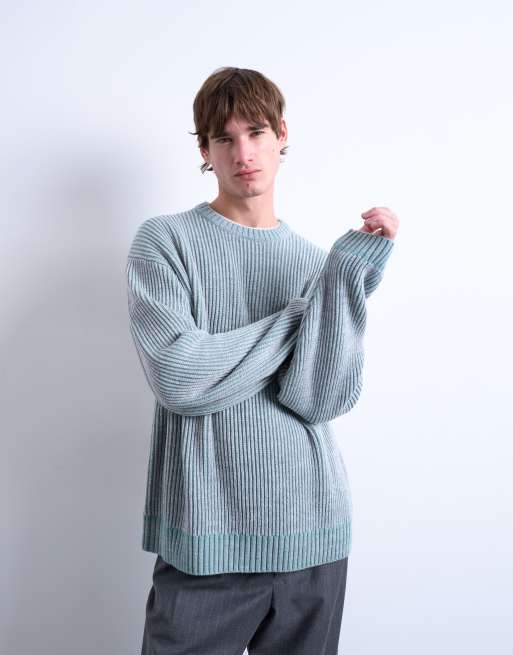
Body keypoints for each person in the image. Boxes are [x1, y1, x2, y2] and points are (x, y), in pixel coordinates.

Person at [126, 66, 399, 655]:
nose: (243, 153)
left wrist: (344, 281)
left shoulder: (316, 263)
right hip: (206, 543)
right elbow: (181, 377)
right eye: (224, 138)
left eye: (255, 132)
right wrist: (306, 312)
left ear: (282, 135)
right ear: (205, 151)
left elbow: (319, 399)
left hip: (314, 537)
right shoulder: (165, 241)